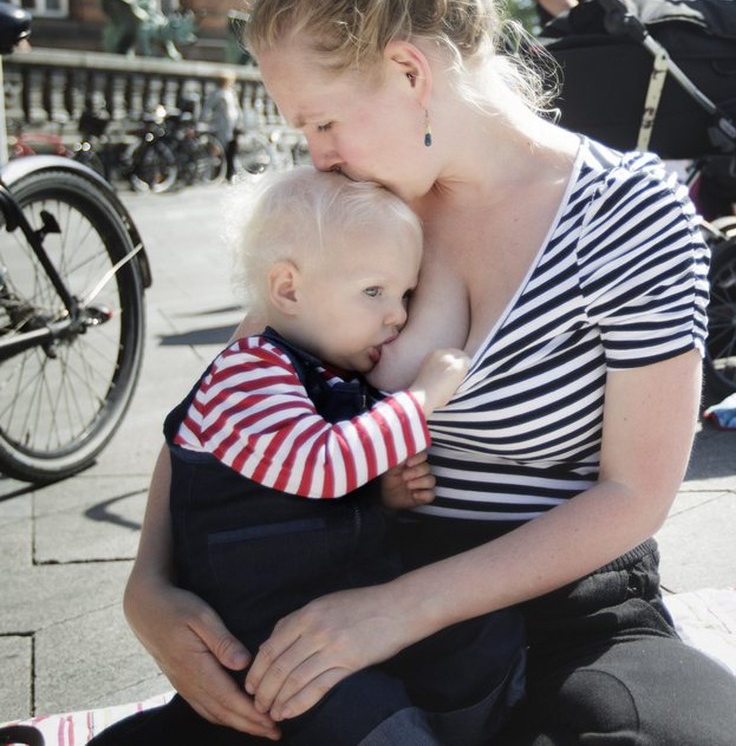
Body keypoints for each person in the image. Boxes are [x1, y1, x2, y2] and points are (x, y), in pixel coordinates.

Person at [112, 0, 736, 746]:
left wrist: (401, 609)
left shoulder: (631, 213)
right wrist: (153, 586)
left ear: (408, 69)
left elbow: (633, 496)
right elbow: (232, 392)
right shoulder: (357, 213)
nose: (318, 154)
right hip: (337, 588)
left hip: (560, 610)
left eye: (323, 122)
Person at [98, 169, 524, 745]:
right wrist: (420, 399)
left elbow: (325, 492)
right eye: (374, 291)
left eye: (405, 295)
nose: (397, 315)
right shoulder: (244, 375)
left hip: (341, 611)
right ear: (290, 289)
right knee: (374, 724)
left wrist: (384, 495)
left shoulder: (331, 374)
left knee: (483, 643)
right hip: (271, 645)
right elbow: (321, 466)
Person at [202, 71, 242, 182]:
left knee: (230, 150)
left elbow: (236, 109)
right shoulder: (218, 94)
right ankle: (217, 174)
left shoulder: (230, 93)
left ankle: (229, 174)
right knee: (220, 148)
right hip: (222, 126)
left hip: (231, 126)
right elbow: (207, 108)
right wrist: (205, 120)